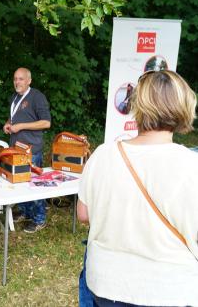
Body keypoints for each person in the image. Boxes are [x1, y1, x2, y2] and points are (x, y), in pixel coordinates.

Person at [77, 70, 198, 306]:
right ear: (184, 106)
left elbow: (83, 214)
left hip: (106, 285)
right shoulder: (191, 165)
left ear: (137, 105)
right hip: (170, 289)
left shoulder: (103, 154)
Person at [3, 67, 51, 233]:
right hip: (16, 149)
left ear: (29, 80)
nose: (17, 82)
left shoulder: (37, 97)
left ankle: (39, 218)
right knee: (20, 183)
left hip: (32, 150)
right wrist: (9, 123)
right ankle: (25, 212)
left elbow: (46, 122)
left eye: (21, 79)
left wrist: (22, 126)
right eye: (15, 78)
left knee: (34, 185)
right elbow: (15, 116)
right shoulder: (14, 97)